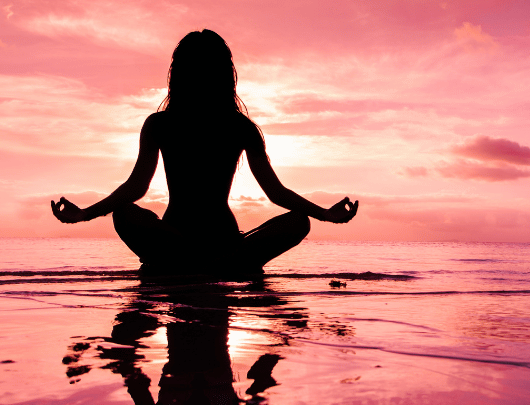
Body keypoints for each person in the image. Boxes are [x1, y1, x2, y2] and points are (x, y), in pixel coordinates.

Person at [51, 29, 358, 274]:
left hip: (212, 243)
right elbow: (136, 187)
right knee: (126, 215)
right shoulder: (162, 124)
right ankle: (217, 265)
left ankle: (199, 263)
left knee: (298, 221)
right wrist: (84, 213)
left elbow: (275, 192)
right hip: (187, 241)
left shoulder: (238, 127)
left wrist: (324, 214)